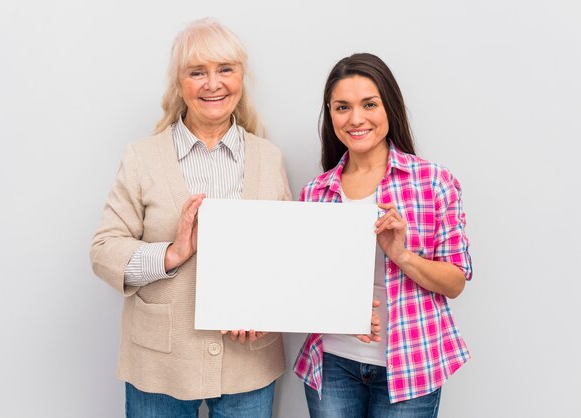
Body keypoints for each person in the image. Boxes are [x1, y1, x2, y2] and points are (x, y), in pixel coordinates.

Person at [90, 18, 291, 418]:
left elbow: (284, 255)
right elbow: (103, 251)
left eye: (225, 70)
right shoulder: (142, 157)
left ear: (240, 79)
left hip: (248, 363)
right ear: (179, 85)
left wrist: (266, 308)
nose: (212, 83)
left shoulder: (269, 158)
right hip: (159, 364)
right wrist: (172, 253)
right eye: (197, 72)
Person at [294, 53, 472, 417]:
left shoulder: (434, 182)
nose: (356, 118)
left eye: (369, 104)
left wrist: (402, 255)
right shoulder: (316, 192)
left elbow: (455, 283)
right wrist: (340, 312)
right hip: (332, 364)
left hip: (412, 366)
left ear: (389, 107)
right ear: (330, 114)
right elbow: (306, 286)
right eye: (343, 107)